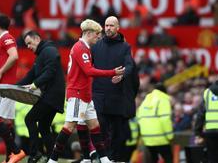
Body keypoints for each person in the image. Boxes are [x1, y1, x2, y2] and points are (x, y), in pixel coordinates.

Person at [47, 19, 125, 163]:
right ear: (88, 34)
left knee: (94, 125)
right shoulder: (80, 48)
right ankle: (52, 160)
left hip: (85, 95)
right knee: (69, 126)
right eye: (96, 35)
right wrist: (112, 72)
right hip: (77, 93)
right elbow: (88, 71)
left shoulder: (83, 48)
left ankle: (103, 158)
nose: (98, 37)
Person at [88, 16, 136, 162]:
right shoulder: (96, 46)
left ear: (118, 27)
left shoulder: (125, 47)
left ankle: (114, 158)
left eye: (111, 26)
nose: (108, 28)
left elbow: (130, 66)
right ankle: (103, 157)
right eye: (106, 25)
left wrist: (122, 76)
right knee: (100, 128)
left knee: (117, 131)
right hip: (99, 94)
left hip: (116, 95)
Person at [17, 30, 65, 163]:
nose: (28, 46)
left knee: (29, 119)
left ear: (37, 39)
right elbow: (30, 75)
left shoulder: (49, 50)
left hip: (51, 96)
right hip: (52, 97)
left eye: (29, 43)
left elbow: (51, 71)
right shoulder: (41, 55)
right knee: (44, 126)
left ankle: (34, 153)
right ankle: (51, 158)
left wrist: (35, 84)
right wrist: (14, 87)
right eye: (26, 44)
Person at [0, 15, 25, 163]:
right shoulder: (4, 39)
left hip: (3, 87)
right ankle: (9, 157)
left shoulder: (6, 38)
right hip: (8, 86)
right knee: (8, 122)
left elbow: (14, 56)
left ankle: (16, 151)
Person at [136, 83, 174, 163]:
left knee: (153, 160)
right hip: (161, 138)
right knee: (168, 159)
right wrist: (170, 136)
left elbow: (139, 117)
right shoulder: (163, 100)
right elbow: (165, 119)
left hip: (147, 139)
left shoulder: (146, 100)